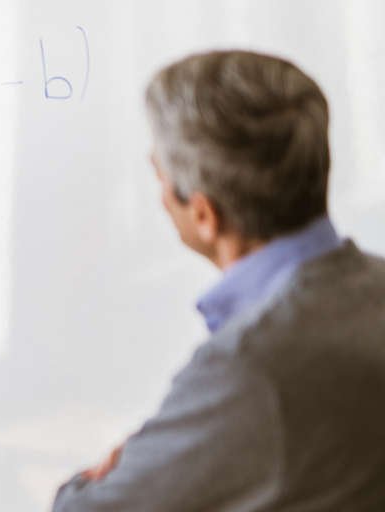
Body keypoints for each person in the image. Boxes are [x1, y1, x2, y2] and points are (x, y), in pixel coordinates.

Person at [53, 51, 385, 510]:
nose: (161, 198)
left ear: (205, 215)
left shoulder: (251, 367)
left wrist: (129, 463)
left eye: (161, 178)